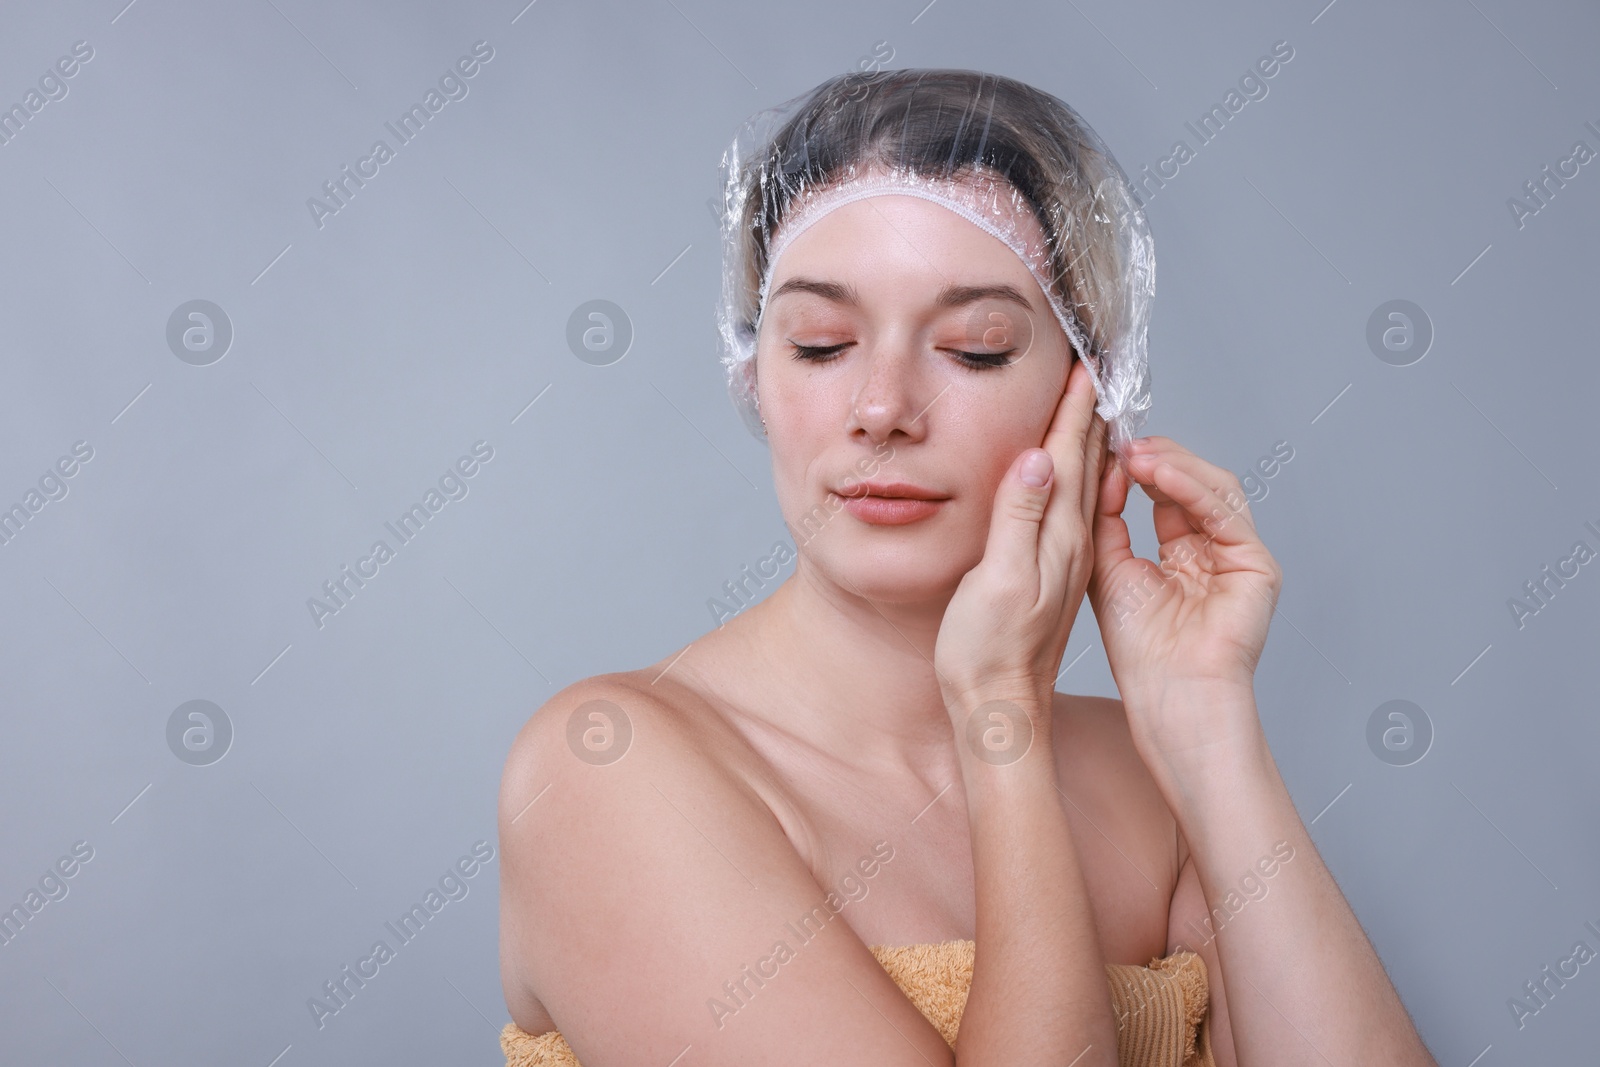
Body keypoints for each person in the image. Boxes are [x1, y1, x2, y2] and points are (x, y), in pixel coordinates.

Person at [497, 68, 1438, 1066]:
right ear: (754, 372)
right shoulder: (606, 769)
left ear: (1091, 389)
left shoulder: (1144, 775)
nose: (882, 406)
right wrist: (1003, 714)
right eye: (820, 344)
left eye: (976, 349)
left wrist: (1204, 723)